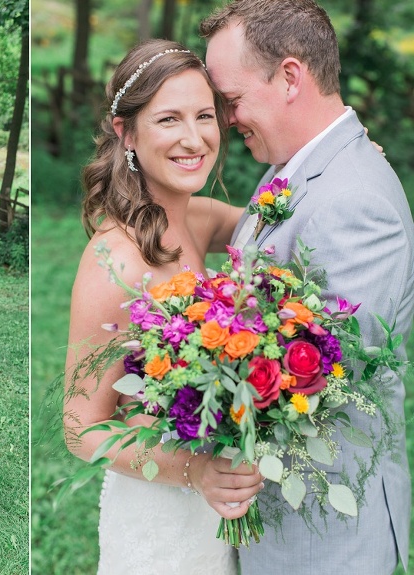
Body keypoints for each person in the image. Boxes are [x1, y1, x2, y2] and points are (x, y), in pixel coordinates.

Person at [199, 1, 414, 573]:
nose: (226, 119)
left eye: (232, 100)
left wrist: (190, 365)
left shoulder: (355, 201)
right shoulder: (300, 167)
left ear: (290, 76)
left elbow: (330, 375)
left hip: (324, 532)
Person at [63, 38, 263, 575]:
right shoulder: (117, 262)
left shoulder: (199, 217)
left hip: (219, 501)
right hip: (160, 513)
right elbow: (81, 427)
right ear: (126, 132)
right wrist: (195, 471)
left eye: (205, 116)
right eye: (169, 119)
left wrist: (336, 173)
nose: (194, 138)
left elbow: (273, 219)